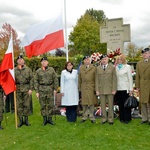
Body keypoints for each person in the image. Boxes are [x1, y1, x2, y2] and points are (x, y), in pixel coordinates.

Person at [34, 56, 59, 126]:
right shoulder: (38, 71)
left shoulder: (51, 70)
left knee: (50, 105)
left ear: (47, 62)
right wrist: (37, 91)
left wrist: (55, 89)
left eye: (45, 61)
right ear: (41, 63)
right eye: (42, 62)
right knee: (43, 105)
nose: (44, 62)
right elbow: (35, 81)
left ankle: (50, 119)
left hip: (50, 89)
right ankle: (45, 119)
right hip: (42, 89)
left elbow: (55, 79)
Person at [96, 54, 117, 125]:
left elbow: (114, 79)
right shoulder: (98, 68)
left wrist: (114, 89)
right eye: (102, 59)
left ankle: (110, 119)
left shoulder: (112, 67)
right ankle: (104, 119)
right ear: (101, 60)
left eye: (105, 59)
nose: (104, 60)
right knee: (102, 105)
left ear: (107, 59)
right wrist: (97, 90)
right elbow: (96, 80)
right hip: (101, 89)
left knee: (110, 105)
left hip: (110, 89)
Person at [15, 55, 33, 127]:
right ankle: (20, 120)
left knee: (26, 104)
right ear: (17, 61)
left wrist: (31, 89)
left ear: (24, 61)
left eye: (21, 59)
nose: (20, 60)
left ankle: (26, 120)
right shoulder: (14, 70)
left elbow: (32, 79)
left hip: (26, 89)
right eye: (18, 60)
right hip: (18, 89)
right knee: (19, 105)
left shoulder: (28, 69)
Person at [115, 54, 133, 124]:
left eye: (121, 59)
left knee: (126, 104)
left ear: (123, 60)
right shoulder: (116, 67)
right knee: (120, 104)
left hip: (125, 88)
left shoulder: (127, 67)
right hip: (118, 88)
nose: (119, 60)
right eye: (118, 59)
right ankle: (121, 118)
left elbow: (130, 79)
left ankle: (127, 118)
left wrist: (131, 89)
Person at [78, 56, 97, 123]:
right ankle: (84, 116)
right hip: (83, 87)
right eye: (85, 60)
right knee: (84, 102)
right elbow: (79, 79)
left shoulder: (94, 68)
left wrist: (96, 88)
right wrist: (79, 88)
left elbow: (96, 79)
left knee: (91, 102)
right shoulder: (81, 68)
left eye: (88, 60)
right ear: (83, 61)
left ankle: (92, 117)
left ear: (90, 60)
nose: (86, 61)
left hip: (91, 87)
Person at [135, 47, 150, 125]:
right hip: (142, 85)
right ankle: (144, 118)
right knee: (143, 102)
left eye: (146, 53)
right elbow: (137, 76)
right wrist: (137, 86)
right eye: (143, 53)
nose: (145, 55)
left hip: (149, 84)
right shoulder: (139, 63)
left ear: (149, 54)